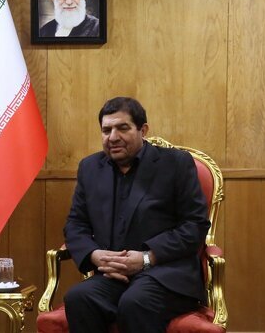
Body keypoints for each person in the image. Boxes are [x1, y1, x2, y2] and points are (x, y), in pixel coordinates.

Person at [63, 97, 210, 332]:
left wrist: (146, 258)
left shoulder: (175, 163)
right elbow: (75, 224)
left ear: (143, 130)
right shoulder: (90, 168)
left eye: (123, 128)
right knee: (79, 297)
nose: (113, 137)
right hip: (113, 276)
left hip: (165, 274)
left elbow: (195, 225)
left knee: (135, 302)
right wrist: (94, 255)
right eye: (106, 130)